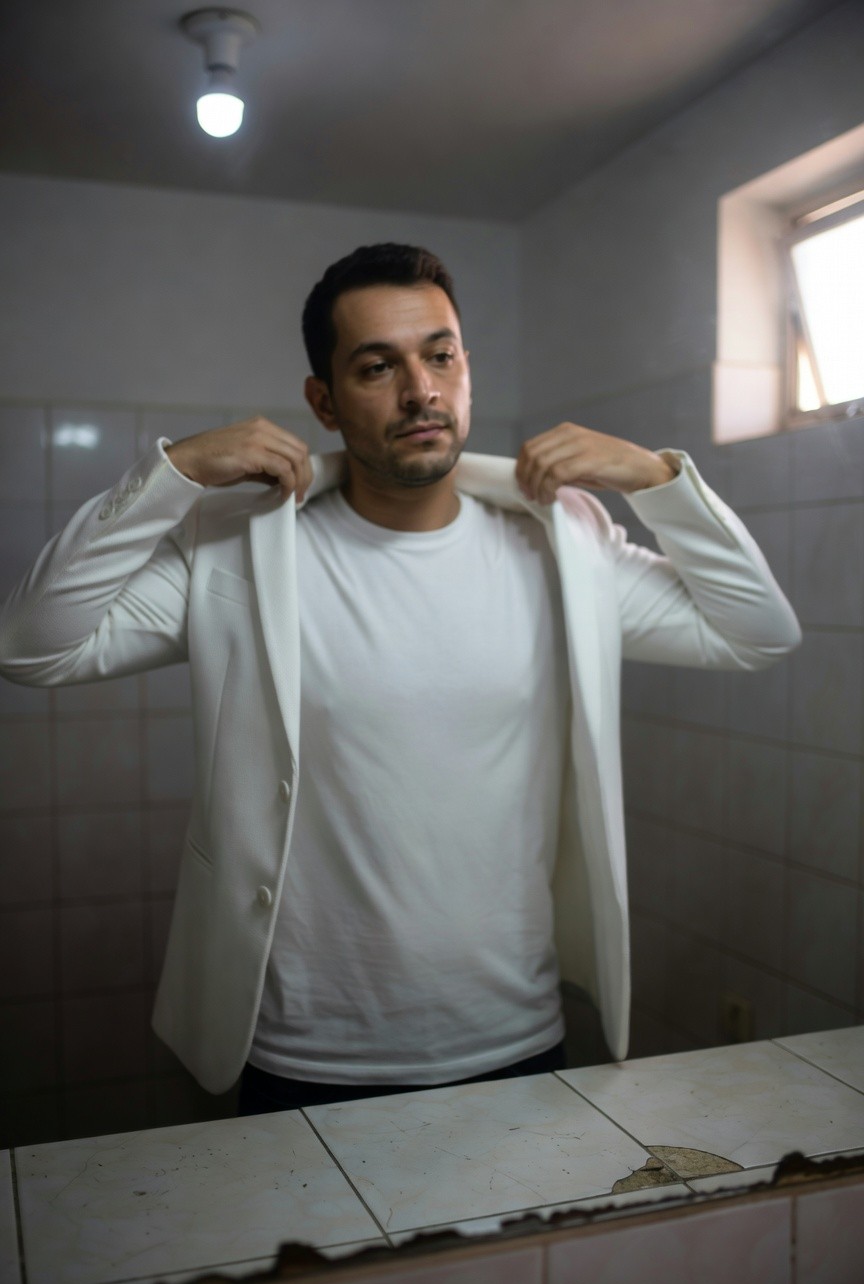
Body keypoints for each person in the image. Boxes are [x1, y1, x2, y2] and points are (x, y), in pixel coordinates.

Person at [0, 243, 800, 1115]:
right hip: (306, 1050)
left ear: (466, 368)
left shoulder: (561, 545)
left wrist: (657, 479)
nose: (421, 389)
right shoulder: (241, 550)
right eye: (378, 366)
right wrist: (173, 475)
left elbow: (757, 631)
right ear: (325, 401)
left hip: (517, 1032)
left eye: (440, 354)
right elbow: (34, 648)